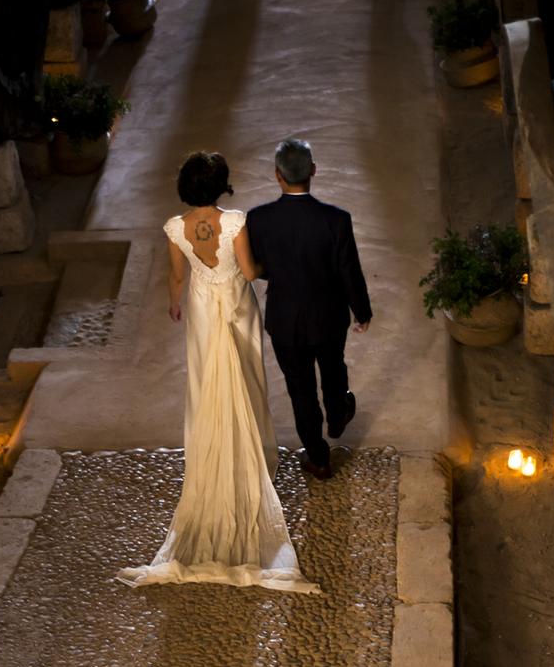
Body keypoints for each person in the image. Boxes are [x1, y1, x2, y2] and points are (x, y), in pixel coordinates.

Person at [116, 151, 319, 595]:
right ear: (222, 186)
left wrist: (175, 302)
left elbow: (176, 277)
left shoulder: (174, 228)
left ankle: (212, 446)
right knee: (244, 377)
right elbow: (248, 271)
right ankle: (251, 450)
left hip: (204, 310)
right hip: (236, 305)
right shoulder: (236, 223)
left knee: (207, 381)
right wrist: (271, 266)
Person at [247, 138, 372, 481]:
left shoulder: (258, 219)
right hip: (328, 316)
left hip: (285, 320)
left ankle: (318, 458)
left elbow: (261, 267)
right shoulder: (336, 220)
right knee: (333, 369)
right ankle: (336, 415)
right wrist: (361, 312)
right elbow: (350, 270)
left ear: (278, 176)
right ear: (313, 171)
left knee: (300, 388)